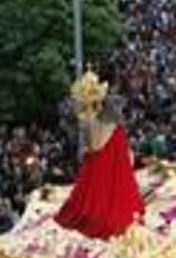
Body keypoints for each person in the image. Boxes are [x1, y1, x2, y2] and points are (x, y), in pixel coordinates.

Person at [54, 73, 144, 239]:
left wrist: (86, 148)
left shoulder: (89, 120)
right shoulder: (110, 119)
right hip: (112, 164)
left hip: (99, 163)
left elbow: (94, 146)